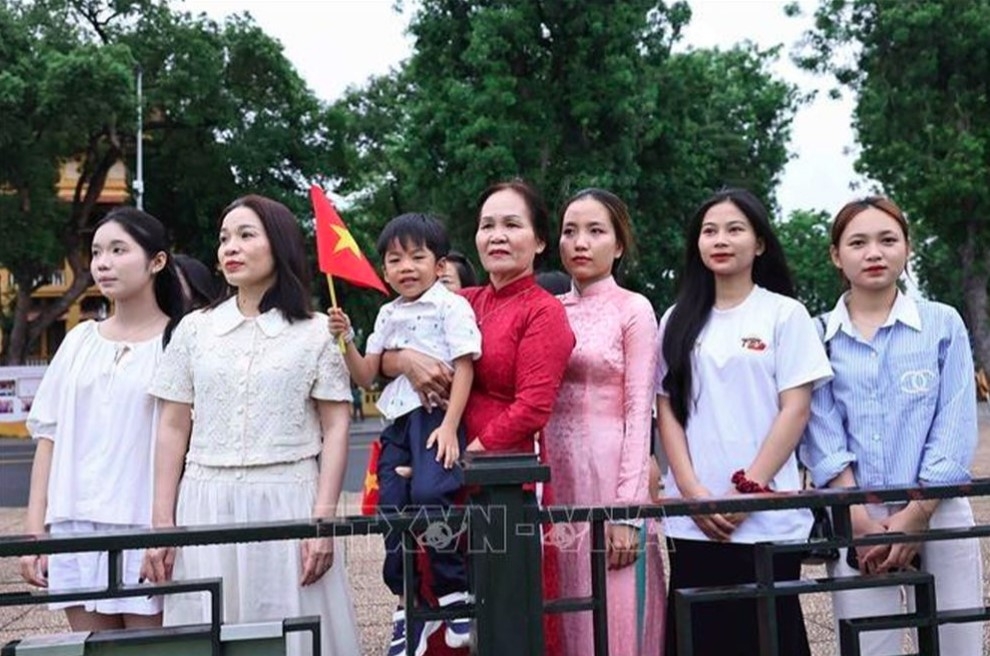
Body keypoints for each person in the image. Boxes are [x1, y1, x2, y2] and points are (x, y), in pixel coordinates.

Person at [141, 194, 361, 656]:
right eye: (224, 239)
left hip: (288, 496)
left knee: (290, 631)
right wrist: (163, 522)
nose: (230, 248)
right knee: (210, 631)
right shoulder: (194, 330)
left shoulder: (318, 331)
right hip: (204, 500)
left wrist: (323, 522)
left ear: (278, 245)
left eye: (245, 235)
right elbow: (172, 426)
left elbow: (336, 427)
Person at [382, 179, 575, 656]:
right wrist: (404, 359)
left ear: (540, 240)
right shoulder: (462, 302)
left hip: (499, 482)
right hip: (443, 475)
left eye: (513, 224)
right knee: (445, 606)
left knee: (506, 619)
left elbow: (531, 407)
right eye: (488, 225)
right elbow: (387, 356)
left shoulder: (543, 312)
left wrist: (458, 461)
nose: (497, 236)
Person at [800, 196, 984, 655]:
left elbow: (956, 420)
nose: (874, 253)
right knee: (870, 646)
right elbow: (820, 429)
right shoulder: (817, 334)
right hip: (858, 518)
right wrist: (859, 516)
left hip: (939, 512)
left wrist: (917, 513)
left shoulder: (941, 324)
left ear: (908, 248)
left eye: (888, 240)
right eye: (858, 242)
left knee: (957, 641)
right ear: (836, 254)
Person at [656, 187, 831, 656]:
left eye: (735, 229)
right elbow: (667, 408)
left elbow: (795, 408)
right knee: (701, 638)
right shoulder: (676, 319)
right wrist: (692, 494)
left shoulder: (784, 314)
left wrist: (748, 489)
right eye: (709, 231)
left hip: (767, 519)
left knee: (770, 637)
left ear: (759, 243)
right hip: (693, 519)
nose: (721, 240)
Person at [20, 207, 187, 631]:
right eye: (96, 252)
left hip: (143, 524)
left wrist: (163, 528)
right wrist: (34, 532)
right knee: (93, 649)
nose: (103, 263)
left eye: (118, 250)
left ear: (157, 261)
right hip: (76, 525)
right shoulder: (78, 341)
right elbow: (49, 438)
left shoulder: (179, 340)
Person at [327, 213, 481, 656]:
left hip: (435, 418)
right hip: (396, 424)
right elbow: (366, 376)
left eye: (417, 256)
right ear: (384, 269)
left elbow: (466, 365)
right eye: (395, 259)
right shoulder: (387, 314)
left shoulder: (451, 306)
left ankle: (454, 596)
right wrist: (345, 340)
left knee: (433, 495)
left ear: (439, 264)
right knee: (391, 511)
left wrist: (451, 425)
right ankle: (407, 602)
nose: (406, 267)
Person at [544, 188, 663, 655]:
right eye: (570, 231)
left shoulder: (633, 309)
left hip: (612, 471)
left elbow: (640, 413)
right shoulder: (550, 310)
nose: (580, 242)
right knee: (565, 607)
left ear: (618, 245)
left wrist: (628, 513)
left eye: (595, 231)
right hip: (558, 475)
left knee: (617, 614)